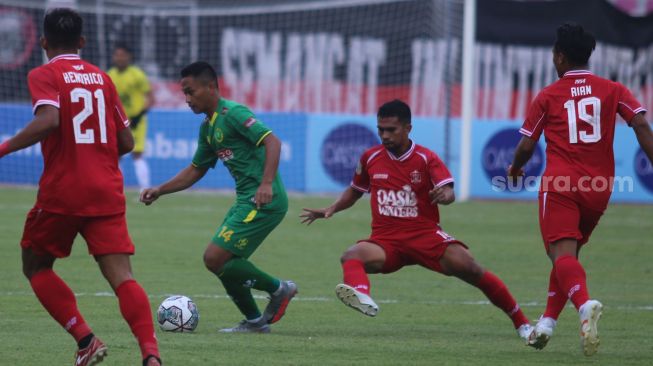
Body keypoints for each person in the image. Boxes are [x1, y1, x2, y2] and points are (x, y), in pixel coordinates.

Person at [0, 8, 161, 366]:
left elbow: (49, 120)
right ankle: (151, 355)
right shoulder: (103, 79)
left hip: (63, 191)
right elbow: (126, 142)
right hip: (105, 190)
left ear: (43, 43)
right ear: (82, 42)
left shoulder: (44, 74)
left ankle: (85, 338)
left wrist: (4, 148)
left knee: (36, 266)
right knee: (123, 278)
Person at [300, 99, 535, 344]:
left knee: (472, 268)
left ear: (408, 128)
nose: (385, 135)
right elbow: (356, 190)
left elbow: (449, 192)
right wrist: (332, 209)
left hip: (425, 236)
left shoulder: (426, 158)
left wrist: (443, 196)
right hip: (386, 240)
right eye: (381, 129)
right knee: (351, 255)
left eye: (391, 130)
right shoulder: (370, 157)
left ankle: (523, 325)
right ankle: (361, 294)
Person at [508, 23, 653, 356]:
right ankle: (546, 324)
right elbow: (641, 125)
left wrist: (516, 168)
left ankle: (585, 305)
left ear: (559, 56)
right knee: (567, 257)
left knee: (561, 257)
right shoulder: (613, 89)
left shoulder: (548, 95)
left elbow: (527, 145)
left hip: (560, 184)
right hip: (599, 188)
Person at [140, 61, 297, 333]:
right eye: (184, 94)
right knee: (221, 263)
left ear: (211, 87)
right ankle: (255, 322)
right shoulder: (208, 128)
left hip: (263, 201)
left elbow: (273, 141)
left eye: (191, 92)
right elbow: (195, 169)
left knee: (214, 257)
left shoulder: (233, 113)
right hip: (244, 201)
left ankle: (279, 289)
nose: (187, 99)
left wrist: (266, 183)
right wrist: (160, 190)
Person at [107, 43, 153, 191]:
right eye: (117, 55)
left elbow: (151, 98)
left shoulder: (137, 74)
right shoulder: (110, 75)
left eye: (122, 55)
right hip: (117, 121)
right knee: (116, 154)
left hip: (136, 121)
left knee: (137, 154)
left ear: (129, 57)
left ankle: (145, 189)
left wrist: (139, 115)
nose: (119, 58)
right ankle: (116, 188)